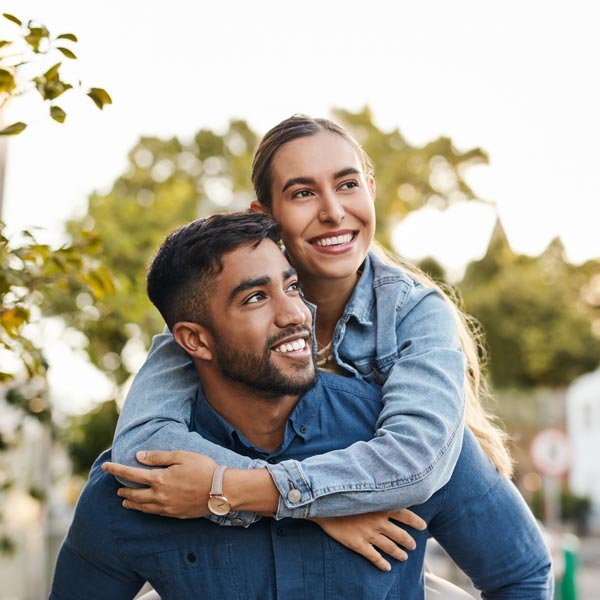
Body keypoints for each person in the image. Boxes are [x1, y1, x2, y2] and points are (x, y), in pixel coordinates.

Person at [51, 212, 552, 599]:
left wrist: (234, 490)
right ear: (194, 341)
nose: (294, 313)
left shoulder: (404, 437)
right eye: (254, 298)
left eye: (292, 285)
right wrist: (314, 509)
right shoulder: (137, 488)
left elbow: (523, 576)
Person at [110, 116, 512, 548]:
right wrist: (319, 512)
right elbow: (141, 448)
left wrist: (232, 490)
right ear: (265, 216)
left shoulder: (413, 312)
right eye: (303, 193)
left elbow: (414, 461)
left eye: (347, 184)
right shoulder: (218, 311)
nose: (333, 211)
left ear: (371, 191)